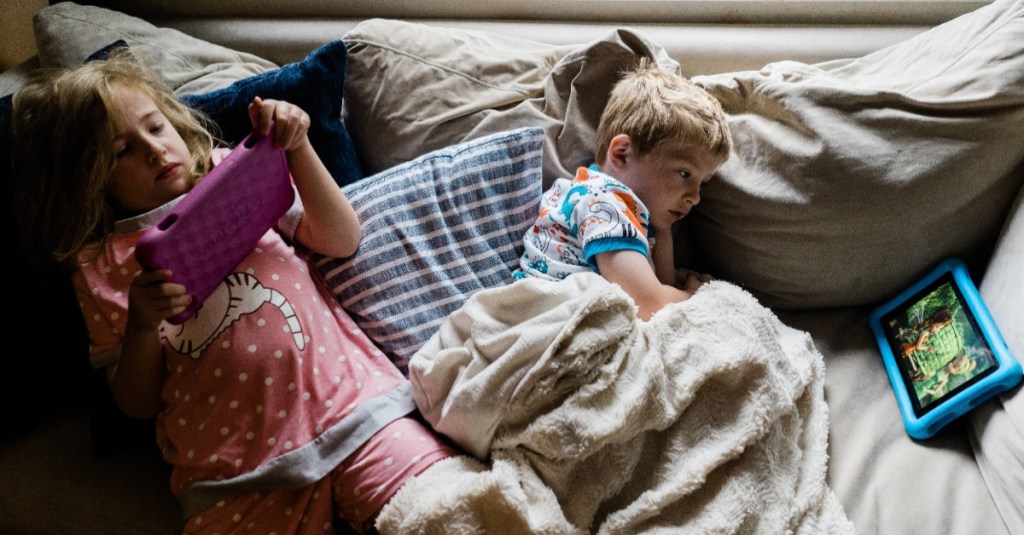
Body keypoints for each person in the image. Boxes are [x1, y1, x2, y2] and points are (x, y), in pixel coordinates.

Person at [10, 50, 456, 534]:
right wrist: (141, 323)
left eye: (155, 128)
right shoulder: (101, 266)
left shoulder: (232, 172)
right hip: (235, 476)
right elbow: (136, 403)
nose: (155, 151)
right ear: (89, 177)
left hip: (357, 415)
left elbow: (340, 239)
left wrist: (299, 147)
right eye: (122, 151)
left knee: (450, 513)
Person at [513, 59, 733, 320]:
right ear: (622, 154)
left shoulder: (589, 191)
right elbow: (651, 303)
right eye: (685, 173)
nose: (695, 197)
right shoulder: (604, 205)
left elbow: (661, 284)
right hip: (551, 319)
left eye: (702, 183)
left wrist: (662, 229)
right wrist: (696, 296)